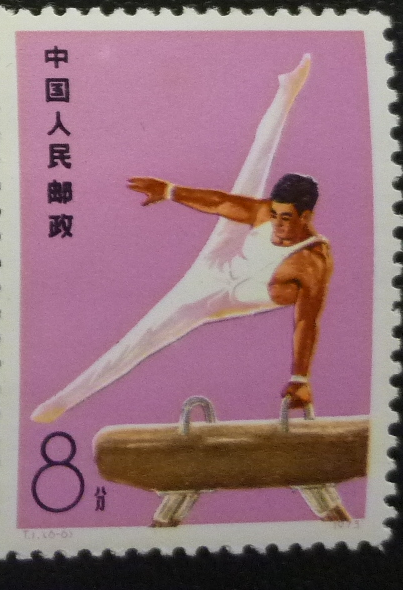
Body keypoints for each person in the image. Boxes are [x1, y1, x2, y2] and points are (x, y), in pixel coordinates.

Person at [32, 56, 333, 422]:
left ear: (306, 216)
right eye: (275, 215)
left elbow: (306, 322)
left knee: (143, 339)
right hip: (218, 263)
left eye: (286, 219)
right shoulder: (266, 212)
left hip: (222, 297)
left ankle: (60, 403)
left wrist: (300, 378)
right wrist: (170, 191)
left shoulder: (312, 262)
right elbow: (220, 202)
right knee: (253, 169)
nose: (278, 224)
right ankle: (287, 90)